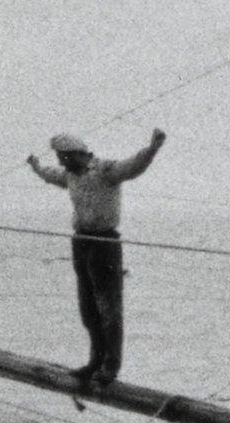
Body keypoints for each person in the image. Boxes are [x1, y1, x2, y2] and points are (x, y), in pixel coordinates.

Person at [28, 128, 164, 387]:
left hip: (105, 242)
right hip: (82, 242)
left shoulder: (104, 170)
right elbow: (50, 175)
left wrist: (152, 149)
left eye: (62, 156)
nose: (59, 162)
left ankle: (110, 367)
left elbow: (133, 167)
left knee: (108, 307)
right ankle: (95, 361)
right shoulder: (70, 175)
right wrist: (36, 166)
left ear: (74, 155)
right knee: (88, 308)